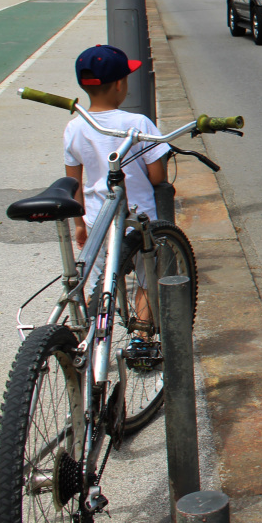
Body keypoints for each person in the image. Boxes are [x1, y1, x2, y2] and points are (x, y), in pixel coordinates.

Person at [64, 44, 170, 332]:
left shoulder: (75, 127)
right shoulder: (137, 123)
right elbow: (157, 176)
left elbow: (73, 182)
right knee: (147, 280)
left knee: (100, 283)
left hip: (98, 220)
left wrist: (79, 224)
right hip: (139, 220)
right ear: (120, 84)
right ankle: (141, 337)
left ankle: (90, 340)